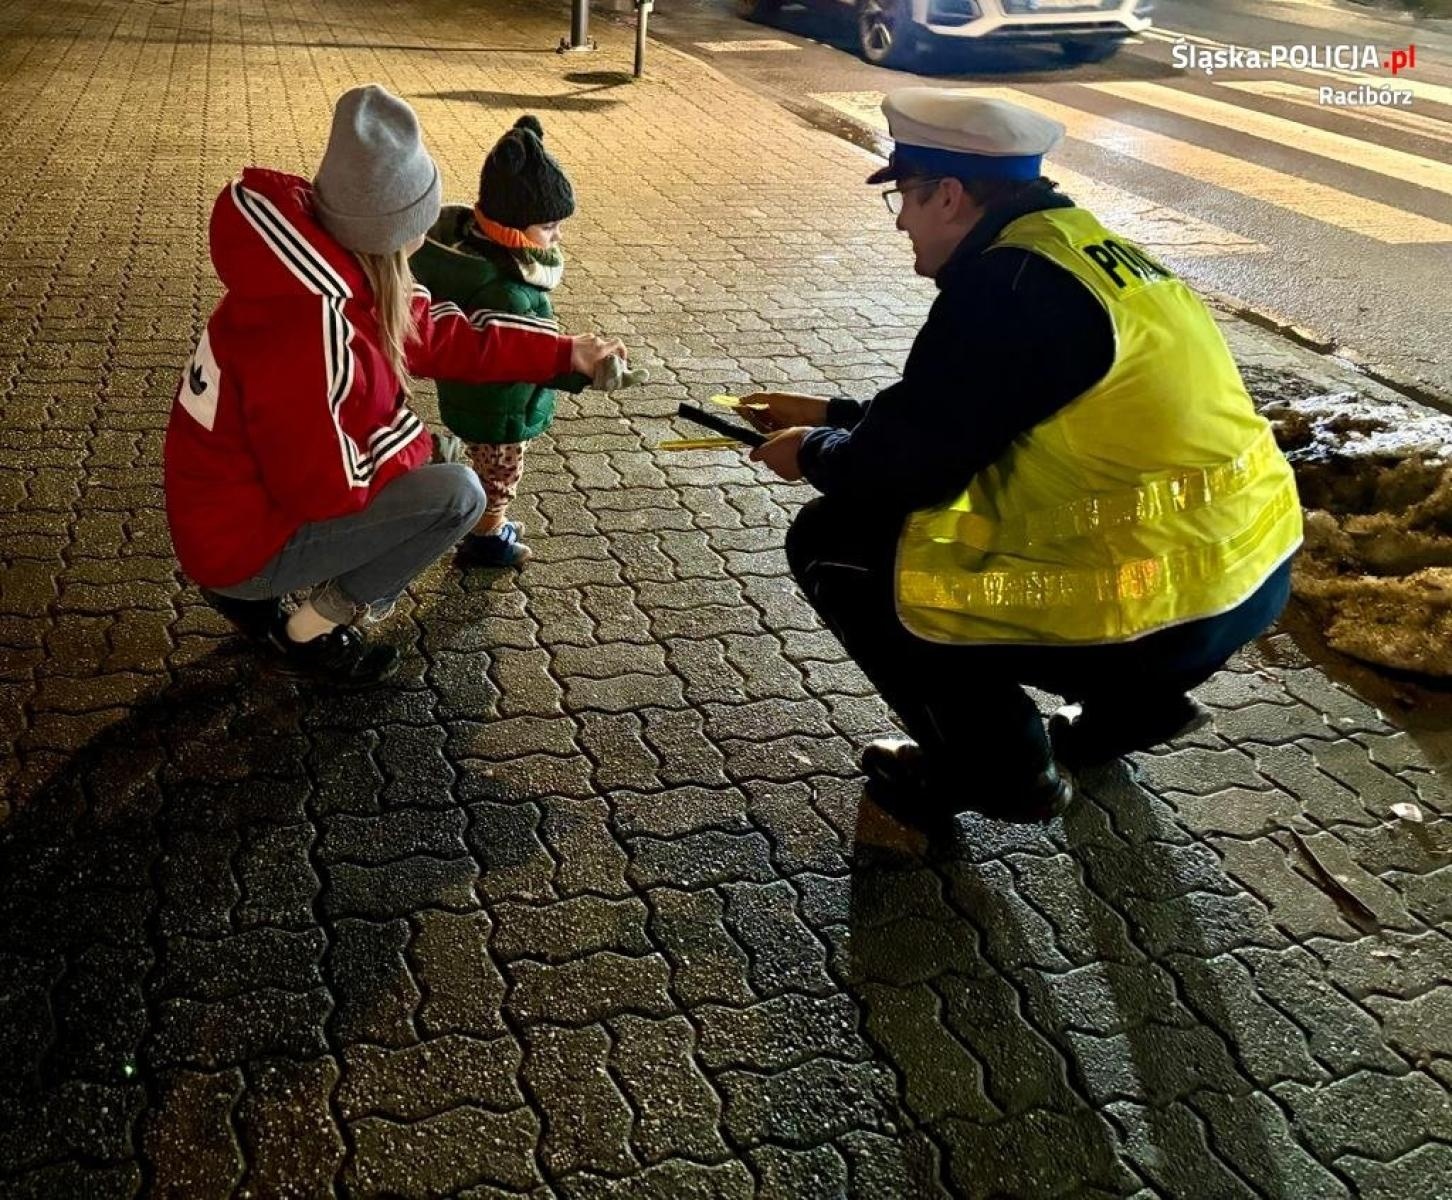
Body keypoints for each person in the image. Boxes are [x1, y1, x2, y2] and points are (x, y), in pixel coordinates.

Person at [744, 89, 1302, 826]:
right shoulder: (1084, 250)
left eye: (906, 199)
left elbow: (903, 473)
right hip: (1243, 580)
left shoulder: (1005, 287)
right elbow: (983, 408)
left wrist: (811, 452)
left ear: (948, 195)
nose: (904, 220)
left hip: (1153, 611)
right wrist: (831, 415)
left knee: (834, 541)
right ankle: (1133, 714)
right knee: (1009, 526)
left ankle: (1004, 771)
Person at [164, 85, 626, 685]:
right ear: (396, 227)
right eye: (423, 219)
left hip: (231, 519)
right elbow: (322, 488)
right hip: (238, 544)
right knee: (458, 495)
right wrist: (415, 450)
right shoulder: (315, 329)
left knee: (434, 471)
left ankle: (254, 599)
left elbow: (442, 338)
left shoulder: (333, 273)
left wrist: (565, 353)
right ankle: (310, 631)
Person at [410, 114, 646, 569]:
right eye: (550, 227)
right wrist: (579, 369)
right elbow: (518, 355)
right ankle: (487, 538)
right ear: (512, 228)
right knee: (500, 477)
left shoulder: (475, 255)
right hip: (501, 409)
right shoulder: (505, 288)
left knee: (489, 470)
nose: (558, 236)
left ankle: (475, 506)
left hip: (478, 399)